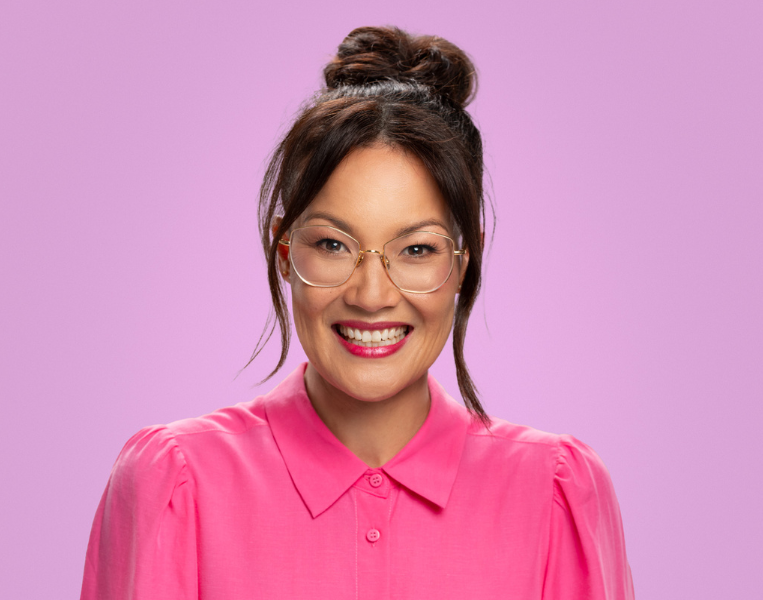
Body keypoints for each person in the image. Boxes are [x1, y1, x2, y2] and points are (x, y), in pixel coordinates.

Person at [79, 25, 635, 600]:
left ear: (466, 260)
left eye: (416, 250)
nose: (372, 295)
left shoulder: (553, 492)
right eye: (334, 245)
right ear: (284, 251)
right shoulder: (176, 484)